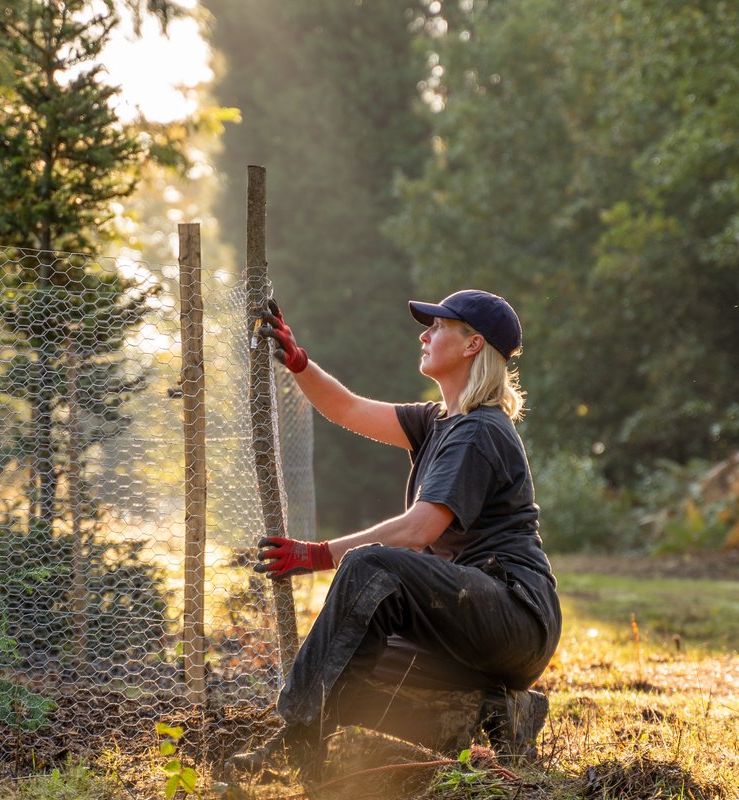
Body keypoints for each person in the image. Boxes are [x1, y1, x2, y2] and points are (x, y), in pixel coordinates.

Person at [234, 289, 561, 777]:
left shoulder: (479, 430)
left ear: (473, 346)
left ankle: (296, 739)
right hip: (469, 621)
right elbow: (346, 409)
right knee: (343, 657)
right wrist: (299, 362)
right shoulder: (437, 421)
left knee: (371, 562)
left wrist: (317, 554)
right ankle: (498, 713)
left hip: (514, 614)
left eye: (438, 327)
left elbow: (419, 528)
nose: (424, 335)